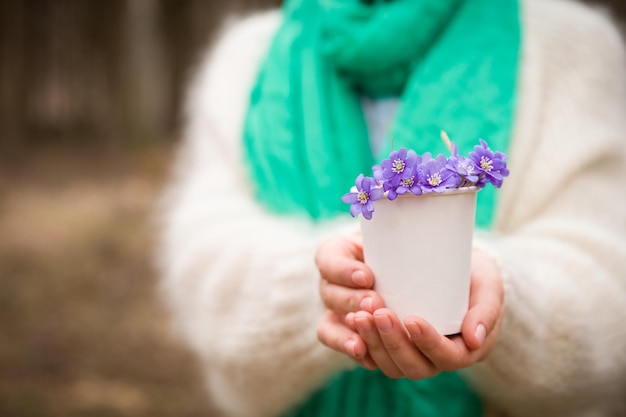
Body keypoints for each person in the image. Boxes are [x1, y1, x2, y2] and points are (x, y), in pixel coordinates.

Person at [156, 0, 626, 416]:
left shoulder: (572, 47)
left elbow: (610, 290)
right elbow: (201, 269)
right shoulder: (247, 56)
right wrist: (339, 285)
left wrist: (497, 298)